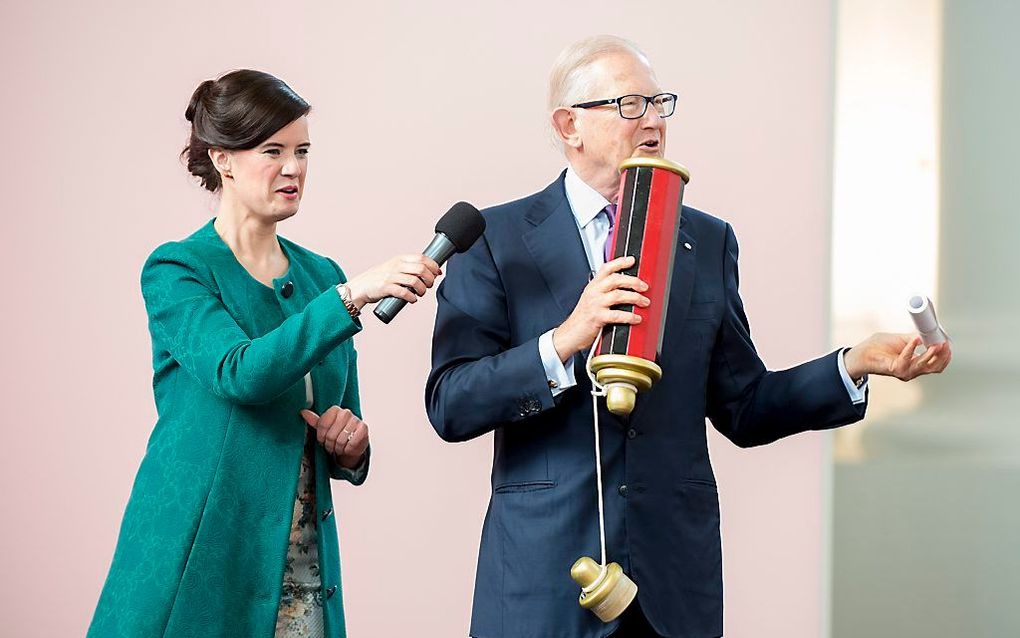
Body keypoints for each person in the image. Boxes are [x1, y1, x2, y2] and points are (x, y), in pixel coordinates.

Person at [424, 36, 951, 638]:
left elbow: (746, 406)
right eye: (628, 106)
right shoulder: (497, 237)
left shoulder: (706, 240)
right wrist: (567, 338)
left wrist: (853, 364)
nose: (652, 121)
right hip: (544, 580)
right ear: (569, 125)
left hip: (672, 584)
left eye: (659, 104)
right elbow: (452, 402)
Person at [89, 69, 441, 638]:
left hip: (300, 560)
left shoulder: (319, 276)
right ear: (223, 159)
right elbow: (239, 373)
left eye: (302, 150)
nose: (294, 167)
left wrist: (349, 446)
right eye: (272, 150)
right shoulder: (179, 269)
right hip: (202, 558)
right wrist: (351, 297)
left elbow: (339, 414)